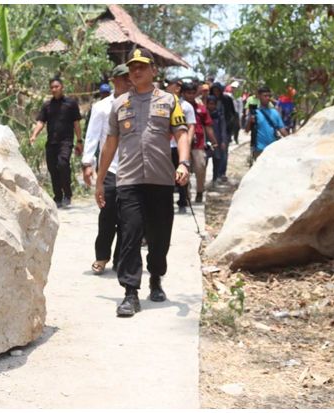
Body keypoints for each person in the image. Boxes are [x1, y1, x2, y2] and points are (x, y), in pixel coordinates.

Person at [95, 47, 190, 317]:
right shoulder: (119, 104)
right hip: (128, 180)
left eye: (141, 66)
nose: (136, 71)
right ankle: (130, 293)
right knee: (130, 234)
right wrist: (100, 181)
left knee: (160, 238)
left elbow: (181, 134)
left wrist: (183, 163)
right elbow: (110, 143)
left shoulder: (170, 101)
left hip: (161, 180)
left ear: (153, 70)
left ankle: (156, 277)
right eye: (132, 67)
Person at [81, 64, 131, 275]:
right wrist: (87, 164)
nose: (129, 81)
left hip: (132, 169)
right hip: (109, 167)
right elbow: (92, 136)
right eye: (124, 78)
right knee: (107, 214)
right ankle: (101, 256)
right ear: (114, 80)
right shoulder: (101, 107)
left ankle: (121, 259)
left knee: (127, 218)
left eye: (130, 77)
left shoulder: (138, 104)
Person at [30, 77, 83, 208]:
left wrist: (79, 140)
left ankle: (68, 194)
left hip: (66, 141)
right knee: (53, 169)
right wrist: (34, 135)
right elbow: (41, 121)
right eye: (52, 87)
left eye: (56, 86)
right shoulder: (47, 105)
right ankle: (58, 197)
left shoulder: (71, 104)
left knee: (63, 164)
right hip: (51, 142)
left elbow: (76, 123)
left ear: (62, 87)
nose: (54, 89)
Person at [182, 82, 218, 203]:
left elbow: (208, 126)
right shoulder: (178, 107)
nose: (191, 96)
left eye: (193, 93)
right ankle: (185, 194)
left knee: (200, 168)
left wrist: (214, 141)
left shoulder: (201, 109)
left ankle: (199, 191)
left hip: (198, 144)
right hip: (182, 143)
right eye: (188, 93)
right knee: (184, 169)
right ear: (183, 93)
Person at [164, 78, 196, 213]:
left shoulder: (186, 106)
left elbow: (191, 126)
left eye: (169, 85)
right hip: (166, 147)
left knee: (182, 175)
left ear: (177, 88)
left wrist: (186, 146)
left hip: (180, 147)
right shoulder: (162, 104)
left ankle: (183, 201)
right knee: (167, 176)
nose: (166, 87)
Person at [245, 85, 289, 160]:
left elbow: (282, 130)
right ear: (259, 96)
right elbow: (247, 130)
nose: (268, 98)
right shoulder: (255, 113)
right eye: (265, 96)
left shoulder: (275, 113)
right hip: (259, 150)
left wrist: (290, 140)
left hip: (273, 149)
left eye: (269, 96)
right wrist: (250, 120)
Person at [207, 95, 229, 183]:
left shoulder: (219, 116)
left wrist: (223, 141)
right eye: (209, 104)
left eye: (213, 104)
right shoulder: (204, 114)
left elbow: (223, 129)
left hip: (217, 140)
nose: (211, 106)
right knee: (204, 162)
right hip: (206, 141)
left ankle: (215, 179)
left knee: (216, 161)